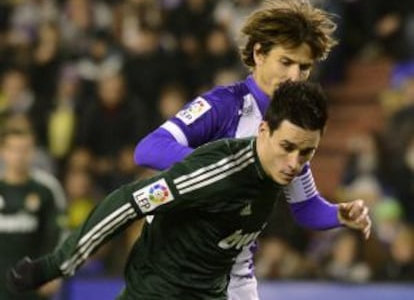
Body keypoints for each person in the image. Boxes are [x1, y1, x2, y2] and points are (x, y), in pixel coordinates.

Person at [6, 81, 371, 300]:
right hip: (158, 294)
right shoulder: (218, 170)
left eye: (307, 152)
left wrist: (340, 214)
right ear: (263, 132)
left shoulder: (280, 170)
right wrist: (56, 265)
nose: (295, 163)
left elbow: (306, 208)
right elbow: (128, 201)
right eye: (288, 147)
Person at [134, 0, 338, 300]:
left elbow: (306, 207)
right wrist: (216, 169)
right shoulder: (224, 105)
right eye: (286, 62)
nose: (295, 76)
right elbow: (149, 148)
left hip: (236, 279)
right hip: (176, 271)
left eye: (304, 67)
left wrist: (343, 214)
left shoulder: (292, 133)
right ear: (259, 53)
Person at [0, 128, 66, 300]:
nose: (19, 156)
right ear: (3, 151)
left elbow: (57, 233)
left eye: (24, 150)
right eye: (13, 149)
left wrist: (53, 272)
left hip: (33, 281)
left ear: (33, 153)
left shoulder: (47, 189)